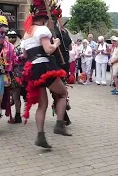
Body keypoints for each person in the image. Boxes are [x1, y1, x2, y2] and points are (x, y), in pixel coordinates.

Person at [21, 0, 71, 149]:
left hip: (33, 70)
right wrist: (55, 43)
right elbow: (48, 49)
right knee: (63, 94)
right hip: (44, 67)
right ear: (44, 18)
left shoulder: (26, 34)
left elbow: (24, 55)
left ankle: (40, 136)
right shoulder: (43, 30)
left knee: (42, 105)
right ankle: (59, 125)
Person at [50, 2, 72, 126]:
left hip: (56, 66)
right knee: (60, 91)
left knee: (57, 92)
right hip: (64, 65)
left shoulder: (53, 33)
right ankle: (63, 115)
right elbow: (69, 46)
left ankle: (63, 116)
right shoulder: (64, 32)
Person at [7, 29, 26, 124]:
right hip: (11, 74)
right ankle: (17, 115)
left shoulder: (21, 46)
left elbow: (25, 57)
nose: (11, 39)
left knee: (17, 95)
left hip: (20, 75)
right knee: (15, 96)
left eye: (13, 37)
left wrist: (15, 59)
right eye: (9, 37)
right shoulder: (7, 47)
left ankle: (18, 115)